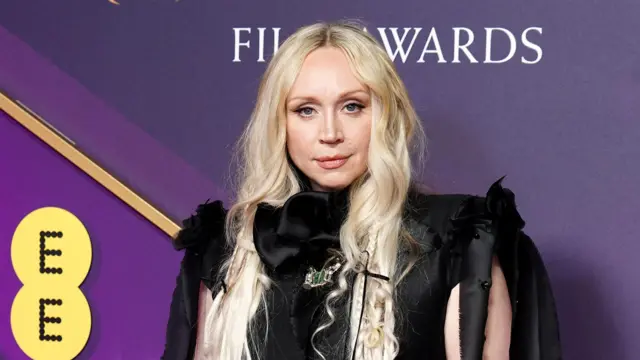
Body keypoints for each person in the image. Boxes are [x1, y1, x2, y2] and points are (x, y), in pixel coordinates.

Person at [162, 21, 562, 360]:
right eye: (306, 110)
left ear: (387, 114)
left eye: (352, 106)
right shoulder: (234, 248)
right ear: (278, 122)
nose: (330, 133)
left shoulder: (456, 241)